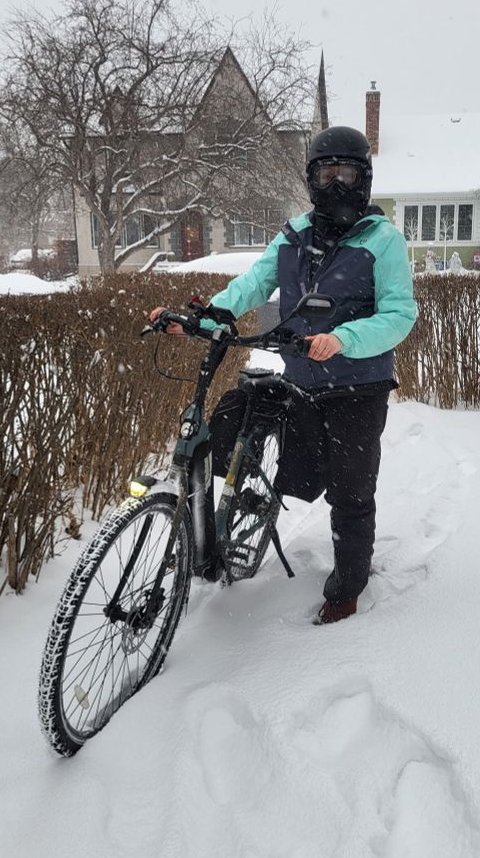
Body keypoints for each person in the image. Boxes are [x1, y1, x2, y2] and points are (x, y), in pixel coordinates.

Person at [152, 126, 417, 624]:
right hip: (302, 377)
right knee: (240, 412)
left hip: (358, 385)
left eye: (346, 174)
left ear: (363, 179)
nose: (335, 185)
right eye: (326, 173)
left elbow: (399, 315)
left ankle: (349, 585)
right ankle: (233, 505)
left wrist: (343, 338)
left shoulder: (383, 241)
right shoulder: (294, 235)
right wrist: (209, 316)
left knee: (350, 490)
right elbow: (256, 282)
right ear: (311, 179)